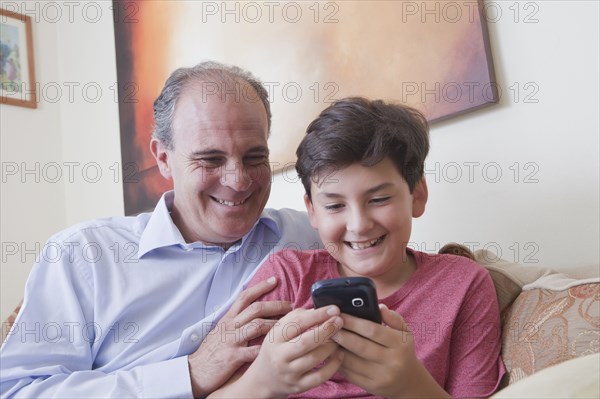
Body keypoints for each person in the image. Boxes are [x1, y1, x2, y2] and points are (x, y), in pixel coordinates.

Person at [0, 61, 323, 398]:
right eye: (211, 160)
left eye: (255, 157)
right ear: (163, 158)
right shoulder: (83, 256)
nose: (238, 180)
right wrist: (192, 371)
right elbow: (18, 391)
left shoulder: (313, 236)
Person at [210, 97, 506, 398]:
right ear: (312, 211)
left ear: (416, 196)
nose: (359, 224)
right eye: (335, 205)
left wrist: (410, 385)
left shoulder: (464, 284)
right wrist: (263, 381)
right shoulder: (287, 277)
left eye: (378, 200)